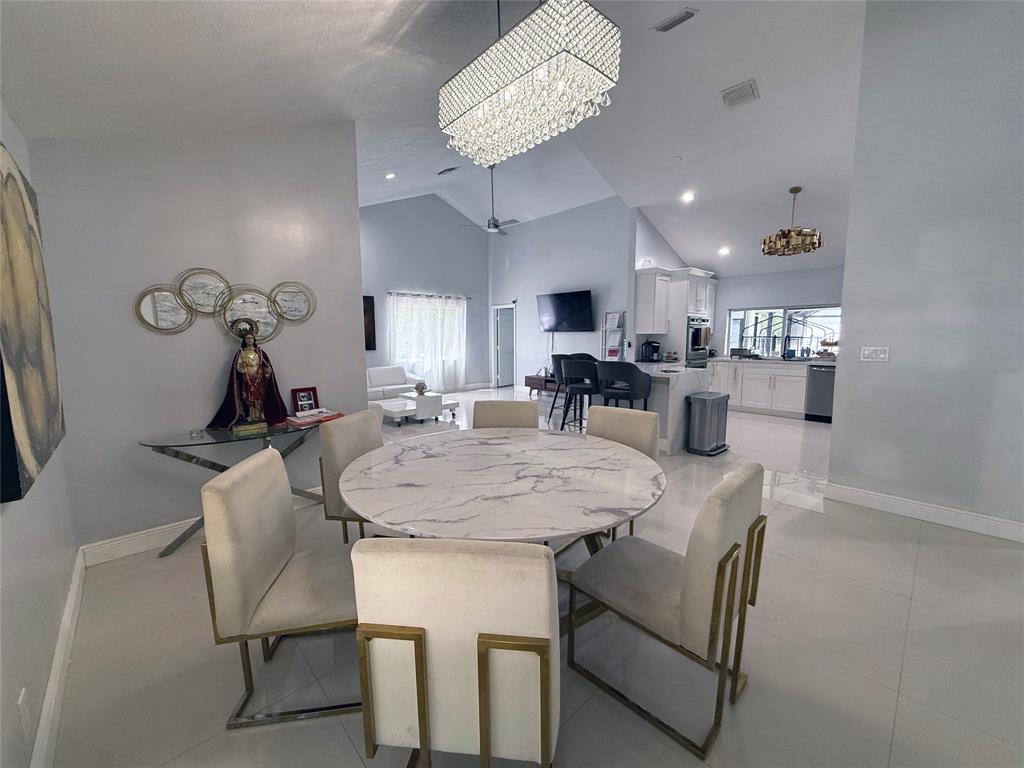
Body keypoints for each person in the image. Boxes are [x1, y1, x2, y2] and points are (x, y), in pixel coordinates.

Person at [207, 320, 287, 429]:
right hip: (246, 379)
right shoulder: (241, 352)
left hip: (259, 379)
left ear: (254, 340)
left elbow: (266, 366)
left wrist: (267, 371)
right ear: (244, 340)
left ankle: (258, 416)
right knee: (248, 398)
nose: (249, 340)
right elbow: (237, 368)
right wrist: (242, 368)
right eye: (247, 338)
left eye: (251, 338)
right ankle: (249, 417)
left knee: (258, 398)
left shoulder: (259, 352)